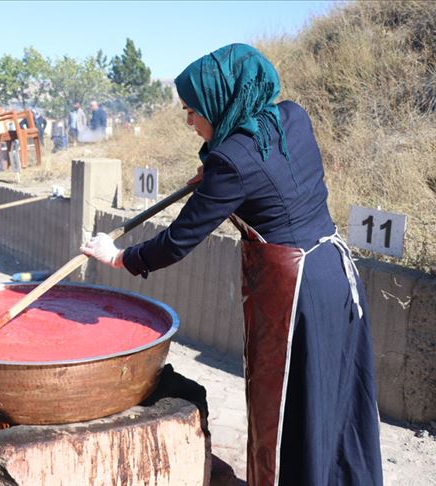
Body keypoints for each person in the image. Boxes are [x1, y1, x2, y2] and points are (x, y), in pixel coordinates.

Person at [80, 44, 382, 485]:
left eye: (192, 110)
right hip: (336, 271)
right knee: (335, 394)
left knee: (288, 405)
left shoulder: (230, 163)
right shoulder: (291, 117)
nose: (188, 121)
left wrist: (120, 256)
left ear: (220, 102)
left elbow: (177, 241)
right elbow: (272, 171)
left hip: (296, 292)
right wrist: (214, 175)